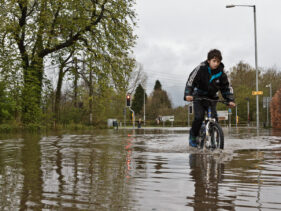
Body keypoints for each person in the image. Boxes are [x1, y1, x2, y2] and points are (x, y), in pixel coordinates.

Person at [184, 49, 236, 147]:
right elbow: (190, 82)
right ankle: (193, 136)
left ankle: (215, 136)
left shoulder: (221, 73)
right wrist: (188, 94)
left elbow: (227, 87)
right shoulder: (201, 68)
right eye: (214, 61)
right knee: (199, 117)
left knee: (214, 118)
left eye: (218, 61)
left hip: (212, 97)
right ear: (209, 61)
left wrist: (230, 100)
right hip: (199, 96)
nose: (216, 64)